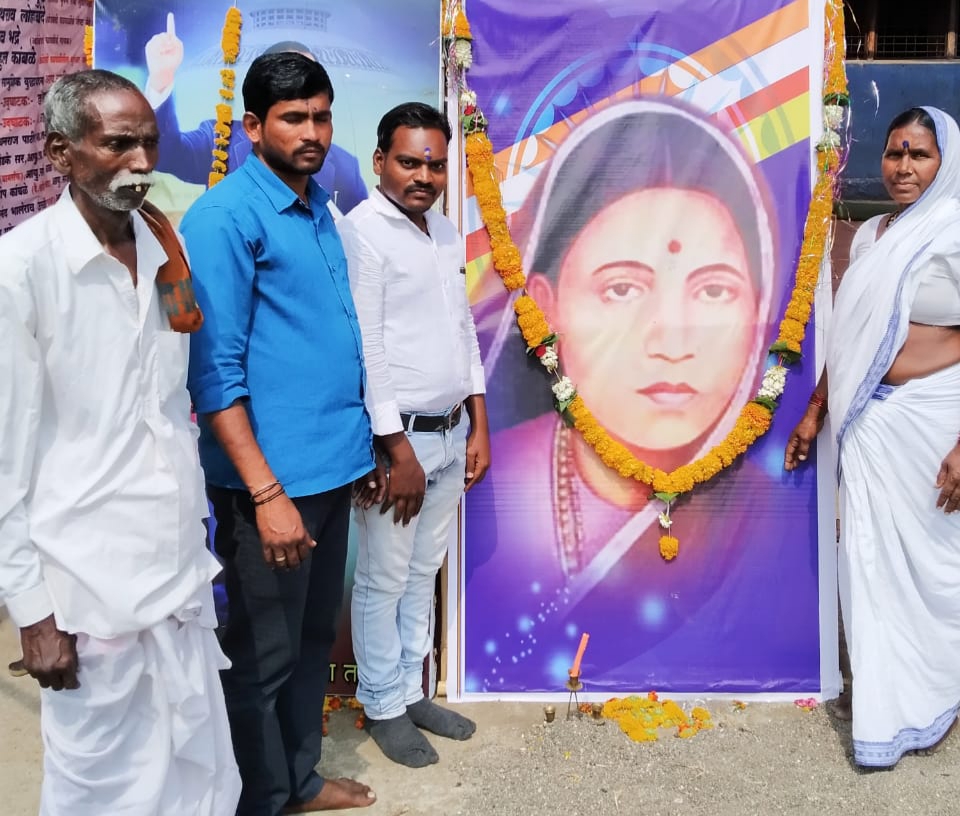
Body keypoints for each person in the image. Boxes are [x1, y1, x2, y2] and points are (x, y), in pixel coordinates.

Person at [465, 98, 821, 693]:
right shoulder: (499, 487)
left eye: (714, 291)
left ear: (761, 314)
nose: (671, 341)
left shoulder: (780, 524)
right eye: (622, 289)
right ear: (545, 310)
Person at [0, 69, 240, 814]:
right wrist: (31, 611)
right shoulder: (21, 269)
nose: (141, 163)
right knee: (101, 787)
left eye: (149, 144)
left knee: (196, 769)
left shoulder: (165, 244)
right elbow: (4, 460)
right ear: (60, 153)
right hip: (87, 586)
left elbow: (167, 407)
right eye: (117, 145)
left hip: (176, 567)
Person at [181, 51, 379, 813]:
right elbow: (214, 376)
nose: (312, 132)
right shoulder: (225, 218)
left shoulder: (317, 204)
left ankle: (297, 781)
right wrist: (266, 495)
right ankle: (258, 798)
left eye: (321, 117)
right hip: (271, 486)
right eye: (294, 118)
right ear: (253, 126)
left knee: (308, 642)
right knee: (262, 657)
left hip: (329, 471)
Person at [785, 106, 960, 768]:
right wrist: (816, 409)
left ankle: (936, 687)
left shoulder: (954, 231)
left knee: (935, 566)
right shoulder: (869, 237)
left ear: (945, 162)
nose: (903, 166)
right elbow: (850, 338)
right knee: (869, 563)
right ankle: (886, 700)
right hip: (870, 422)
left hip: (935, 421)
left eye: (919, 154)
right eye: (894, 153)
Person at [338, 103, 489, 767]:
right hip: (400, 446)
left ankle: (411, 691)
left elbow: (463, 330)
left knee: (424, 570)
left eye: (435, 164)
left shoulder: (446, 232)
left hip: (452, 434)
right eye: (409, 162)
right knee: (385, 576)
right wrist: (395, 449)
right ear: (380, 162)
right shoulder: (362, 234)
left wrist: (479, 421)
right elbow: (365, 348)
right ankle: (382, 705)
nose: (424, 176)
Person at [144, 15, 367, 214]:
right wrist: (161, 79)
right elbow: (166, 153)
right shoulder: (220, 140)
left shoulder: (346, 168)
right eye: (287, 75)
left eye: (310, 77)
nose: (300, 84)